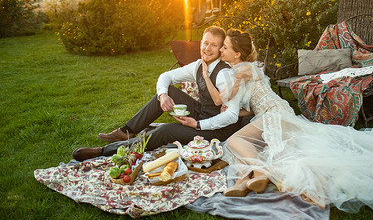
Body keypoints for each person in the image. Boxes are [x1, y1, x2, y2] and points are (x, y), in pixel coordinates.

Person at [204, 29, 373, 220]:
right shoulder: (246, 69)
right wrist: (236, 109)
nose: (221, 50)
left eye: (224, 47)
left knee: (235, 142)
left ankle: (258, 173)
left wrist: (204, 73)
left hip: (274, 113)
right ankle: (257, 176)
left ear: (237, 54)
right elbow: (249, 105)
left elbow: (220, 98)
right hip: (274, 112)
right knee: (289, 152)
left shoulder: (242, 68)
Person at [72, 26, 246, 161]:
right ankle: (128, 131)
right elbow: (167, 76)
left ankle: (105, 151)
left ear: (220, 49)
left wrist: (197, 125)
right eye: (205, 43)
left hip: (217, 130)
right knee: (167, 90)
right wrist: (163, 96)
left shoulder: (224, 74)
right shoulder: (199, 65)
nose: (208, 48)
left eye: (214, 45)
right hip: (202, 113)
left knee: (165, 131)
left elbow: (231, 117)